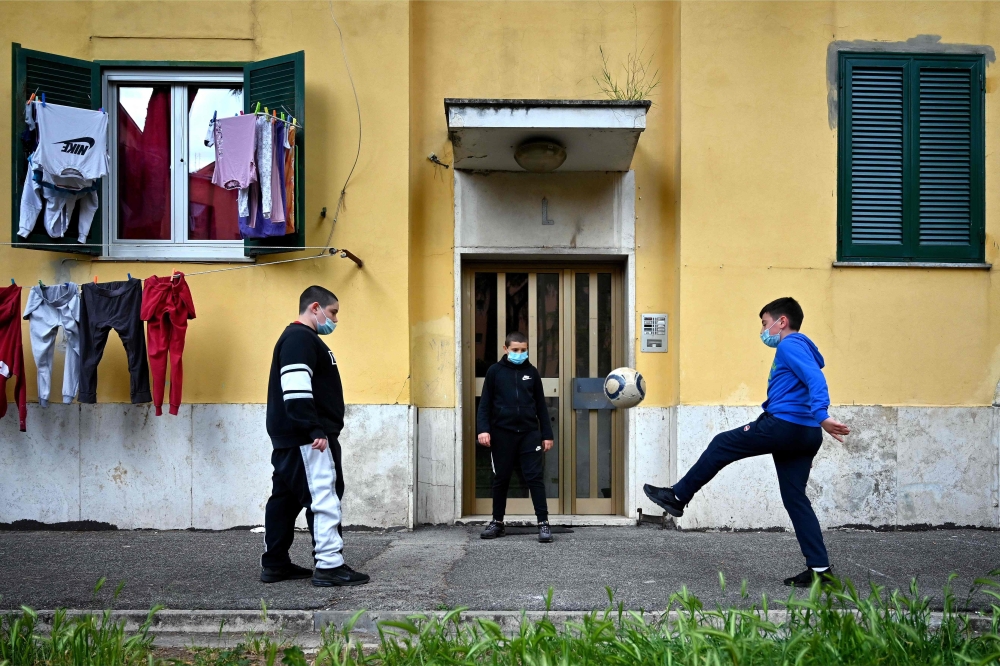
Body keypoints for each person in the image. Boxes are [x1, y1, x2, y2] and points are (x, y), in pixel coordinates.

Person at [644, 297, 851, 587]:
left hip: (784, 425)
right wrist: (817, 421)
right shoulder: (802, 347)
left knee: (721, 444)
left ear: (782, 322)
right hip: (805, 434)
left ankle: (678, 496)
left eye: (765, 324)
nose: (763, 331)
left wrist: (822, 415)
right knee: (796, 499)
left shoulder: (790, 344)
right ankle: (820, 570)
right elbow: (810, 377)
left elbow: (815, 378)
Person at [259, 285, 370, 587]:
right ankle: (330, 565)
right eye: (333, 312)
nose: (334, 319)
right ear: (315, 307)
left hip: (293, 438)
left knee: (284, 500)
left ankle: (275, 564)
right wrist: (313, 428)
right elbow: (295, 387)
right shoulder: (300, 338)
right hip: (308, 439)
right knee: (324, 497)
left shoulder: (300, 338)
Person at [477, 331, 555, 543]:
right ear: (506, 349)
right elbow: (484, 404)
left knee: (534, 478)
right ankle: (497, 522)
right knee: (501, 478)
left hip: (529, 434)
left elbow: (541, 405)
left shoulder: (532, 372)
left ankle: (544, 523)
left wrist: (547, 434)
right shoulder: (495, 372)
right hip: (502, 434)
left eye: (523, 350)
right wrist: (483, 430)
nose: (520, 353)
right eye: (515, 350)